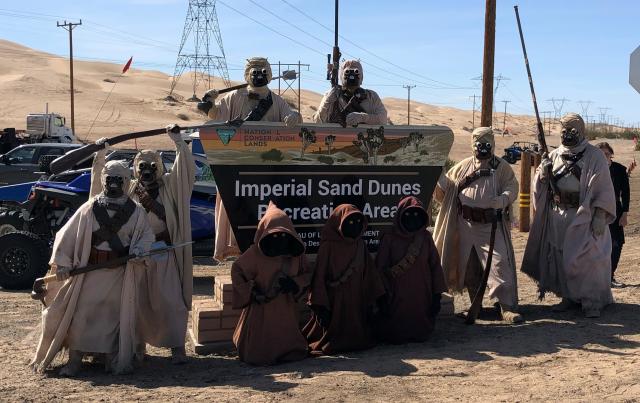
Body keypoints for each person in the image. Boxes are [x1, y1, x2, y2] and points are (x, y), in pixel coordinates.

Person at [30, 159, 154, 376]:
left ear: (126, 181)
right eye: (110, 179)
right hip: (88, 274)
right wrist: (64, 264)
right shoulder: (89, 208)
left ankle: (111, 360)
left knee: (112, 319)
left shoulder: (137, 212)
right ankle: (75, 361)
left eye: (118, 179)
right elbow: (66, 236)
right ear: (103, 180)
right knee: (80, 317)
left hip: (118, 274)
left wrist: (140, 250)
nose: (113, 183)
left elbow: (146, 236)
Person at [91, 125, 195, 364]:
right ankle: (138, 348)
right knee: (135, 303)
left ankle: (177, 347)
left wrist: (179, 143)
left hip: (164, 252)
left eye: (152, 166)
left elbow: (185, 171)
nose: (147, 171)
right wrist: (100, 156)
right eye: (142, 167)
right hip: (137, 255)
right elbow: (100, 191)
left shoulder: (170, 186)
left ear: (159, 167)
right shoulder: (128, 188)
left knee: (170, 301)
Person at [201, 57, 302, 262]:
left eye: (263, 71)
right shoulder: (233, 97)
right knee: (236, 212)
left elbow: (291, 115)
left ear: (270, 75)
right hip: (237, 168)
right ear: (247, 74)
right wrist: (208, 103)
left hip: (266, 172)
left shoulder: (276, 100)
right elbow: (215, 116)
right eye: (254, 71)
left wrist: (294, 116)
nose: (259, 75)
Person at [522, 113, 616, 318]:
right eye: (563, 130)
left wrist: (600, 214)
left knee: (589, 259)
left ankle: (592, 301)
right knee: (561, 257)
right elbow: (540, 186)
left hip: (585, 216)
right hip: (558, 215)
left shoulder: (594, 156)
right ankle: (568, 297)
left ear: (581, 132)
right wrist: (543, 173)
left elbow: (603, 188)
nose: (567, 134)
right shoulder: (554, 155)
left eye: (572, 130)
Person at [433, 127, 522, 323]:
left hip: (491, 227)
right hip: (466, 225)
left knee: (499, 265)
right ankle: (476, 305)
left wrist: (503, 199)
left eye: (486, 144)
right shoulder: (462, 166)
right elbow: (448, 191)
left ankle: (506, 308)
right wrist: (438, 177)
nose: (483, 148)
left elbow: (512, 186)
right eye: (479, 144)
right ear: (473, 145)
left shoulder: (502, 167)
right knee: (470, 267)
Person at [231, 202, 311, 365]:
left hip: (286, 309)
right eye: (274, 236)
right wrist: (252, 291)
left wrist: (295, 284)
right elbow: (237, 271)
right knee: (259, 347)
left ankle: (288, 351)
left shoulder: (296, 255)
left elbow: (308, 274)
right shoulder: (254, 254)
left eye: (283, 236)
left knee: (288, 339)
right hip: (262, 310)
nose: (279, 241)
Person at [303, 204, 385, 354]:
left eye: (359, 222)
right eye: (351, 222)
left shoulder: (360, 245)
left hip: (356, 298)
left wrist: (375, 299)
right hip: (334, 300)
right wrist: (320, 305)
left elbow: (370, 274)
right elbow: (319, 277)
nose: (355, 227)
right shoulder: (328, 246)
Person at [375, 196, 447, 343]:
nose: (413, 219)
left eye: (416, 215)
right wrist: (381, 297)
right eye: (408, 214)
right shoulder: (389, 237)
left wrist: (437, 296)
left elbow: (435, 267)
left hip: (422, 295)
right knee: (394, 330)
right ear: (401, 215)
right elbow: (379, 269)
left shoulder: (425, 238)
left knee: (420, 327)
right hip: (396, 295)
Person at [313, 59, 388, 127]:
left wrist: (363, 117)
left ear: (361, 77)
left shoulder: (371, 96)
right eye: (347, 72)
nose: (351, 76)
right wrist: (328, 101)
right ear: (341, 76)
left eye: (356, 72)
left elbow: (383, 120)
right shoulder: (332, 95)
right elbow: (318, 122)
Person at [596, 142, 630, 288]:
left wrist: (625, 213)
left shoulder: (620, 170)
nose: (604, 157)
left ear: (611, 154)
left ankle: (610, 276)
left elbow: (626, 193)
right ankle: (597, 278)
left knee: (617, 244)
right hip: (596, 211)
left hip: (616, 210)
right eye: (601, 154)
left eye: (607, 154)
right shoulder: (592, 170)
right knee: (597, 245)